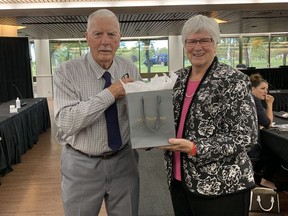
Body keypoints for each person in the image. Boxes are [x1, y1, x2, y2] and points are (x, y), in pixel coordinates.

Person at [160, 15, 258, 216]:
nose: (198, 47)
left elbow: (246, 136)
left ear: (216, 44)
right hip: (180, 180)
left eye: (205, 40)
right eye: (192, 41)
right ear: (184, 44)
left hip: (222, 185)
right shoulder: (177, 79)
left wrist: (196, 148)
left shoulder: (233, 80)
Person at [53, 9, 141, 216]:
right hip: (81, 164)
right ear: (86, 37)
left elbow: (139, 113)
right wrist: (111, 93)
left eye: (111, 34)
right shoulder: (66, 72)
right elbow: (66, 121)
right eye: (97, 34)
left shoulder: (129, 67)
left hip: (124, 162)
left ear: (119, 38)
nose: (105, 41)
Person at [250, 73, 278, 190]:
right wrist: (270, 104)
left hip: (246, 145)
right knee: (276, 152)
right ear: (252, 89)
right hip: (251, 148)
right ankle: (264, 180)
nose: (266, 92)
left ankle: (256, 175)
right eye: (262, 88)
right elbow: (267, 123)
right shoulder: (255, 101)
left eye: (267, 89)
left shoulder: (246, 99)